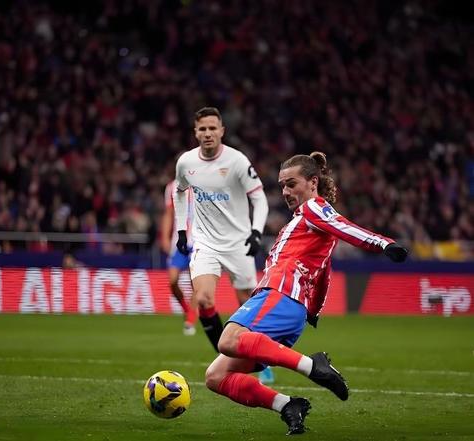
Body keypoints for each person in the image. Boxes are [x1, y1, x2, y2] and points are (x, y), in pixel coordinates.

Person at [204, 151, 408, 435]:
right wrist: (314, 310)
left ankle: (313, 366)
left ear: (313, 182)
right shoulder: (307, 221)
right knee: (215, 376)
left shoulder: (314, 208)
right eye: (282, 186)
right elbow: (324, 271)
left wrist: (383, 244)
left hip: (280, 294)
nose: (285, 192)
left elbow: (344, 227)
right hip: (292, 309)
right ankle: (288, 406)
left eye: (291, 184)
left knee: (228, 340)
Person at [173, 107, 269, 351]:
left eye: (212, 128)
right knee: (203, 299)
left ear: (222, 131)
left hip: (239, 243)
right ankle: (223, 354)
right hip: (205, 243)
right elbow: (179, 192)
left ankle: (258, 358)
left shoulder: (237, 161)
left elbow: (259, 198)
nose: (208, 133)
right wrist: (182, 230)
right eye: (203, 129)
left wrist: (256, 232)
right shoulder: (186, 162)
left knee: (246, 304)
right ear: (196, 132)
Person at [160, 178, 197, 335]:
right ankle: (187, 309)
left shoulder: (203, 182)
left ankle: (190, 319)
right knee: (172, 280)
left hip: (198, 242)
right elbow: (168, 214)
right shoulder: (172, 186)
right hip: (179, 242)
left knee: (196, 284)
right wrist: (164, 237)